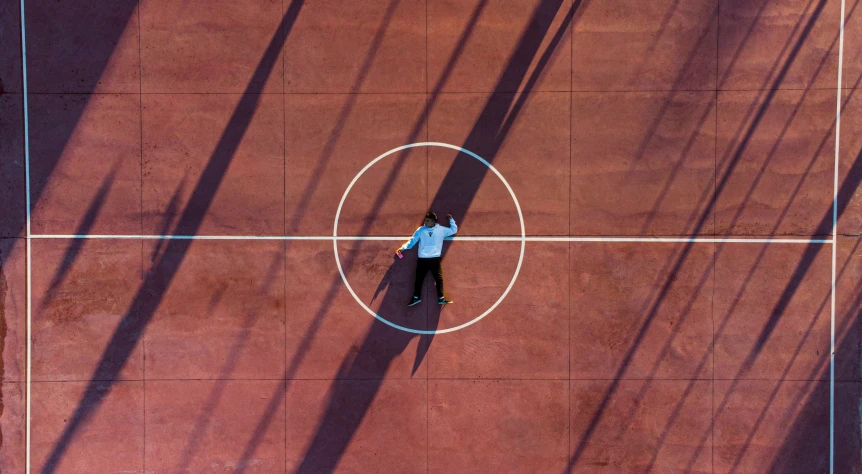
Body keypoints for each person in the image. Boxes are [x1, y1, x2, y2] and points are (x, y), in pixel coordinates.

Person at [396, 212, 457, 306]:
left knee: (439, 279)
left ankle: (441, 298)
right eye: (426, 220)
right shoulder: (420, 230)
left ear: (433, 221)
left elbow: (453, 230)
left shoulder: (441, 230)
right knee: (418, 279)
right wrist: (403, 248)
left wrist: (451, 219)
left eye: (428, 220)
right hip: (422, 259)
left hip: (435, 259)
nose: (425, 222)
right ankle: (416, 298)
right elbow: (412, 240)